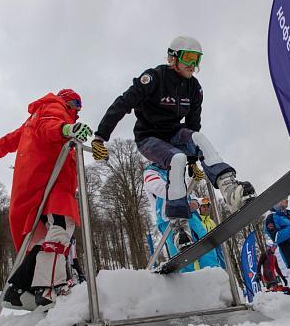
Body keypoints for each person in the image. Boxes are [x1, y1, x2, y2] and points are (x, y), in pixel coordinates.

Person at [91, 36, 255, 252]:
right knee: (177, 160)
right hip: (149, 137)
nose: (193, 65)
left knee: (199, 138)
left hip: (174, 134)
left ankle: (230, 191)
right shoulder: (154, 78)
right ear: (172, 58)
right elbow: (123, 103)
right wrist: (100, 136)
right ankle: (179, 226)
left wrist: (194, 161)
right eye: (188, 58)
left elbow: (193, 125)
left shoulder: (194, 88)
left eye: (197, 59)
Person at [0, 89, 93, 309]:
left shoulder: (32, 121)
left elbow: (4, 143)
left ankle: (20, 288)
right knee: (61, 228)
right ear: (67, 101)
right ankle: (49, 287)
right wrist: (66, 128)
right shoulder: (54, 108)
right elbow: (49, 127)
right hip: (53, 183)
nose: (78, 110)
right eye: (76, 104)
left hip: (37, 186)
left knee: (45, 237)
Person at [143, 162, 220, 271]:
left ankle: (212, 274)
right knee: (182, 255)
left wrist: (195, 201)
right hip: (168, 219)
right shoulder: (150, 172)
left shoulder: (174, 170)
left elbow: (187, 193)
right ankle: (187, 282)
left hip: (189, 214)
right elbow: (160, 189)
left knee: (205, 243)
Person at [199, 197, 226, 268]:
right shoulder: (198, 223)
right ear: (199, 209)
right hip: (204, 257)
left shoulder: (211, 222)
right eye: (204, 207)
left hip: (215, 256)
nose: (206, 208)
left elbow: (217, 241)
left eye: (208, 206)